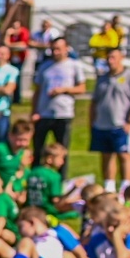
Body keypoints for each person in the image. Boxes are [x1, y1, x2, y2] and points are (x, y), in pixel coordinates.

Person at [90, 46, 130, 192]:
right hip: (102, 124)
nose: (110, 61)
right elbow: (94, 102)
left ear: (122, 58)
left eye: (113, 57)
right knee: (106, 155)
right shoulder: (103, 78)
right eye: (108, 58)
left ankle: (125, 186)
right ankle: (109, 186)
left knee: (124, 155)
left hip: (121, 123)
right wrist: (92, 121)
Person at [32, 38, 87, 170]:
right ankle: (36, 176)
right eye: (53, 49)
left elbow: (81, 88)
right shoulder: (44, 66)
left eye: (58, 49)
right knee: (38, 148)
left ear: (66, 49)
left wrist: (64, 90)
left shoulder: (74, 65)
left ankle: (61, 178)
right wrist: (34, 111)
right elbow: (37, 91)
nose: (55, 52)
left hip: (63, 113)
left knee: (62, 150)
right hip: (44, 113)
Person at [2, 17, 31, 104]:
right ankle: (10, 98)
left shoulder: (24, 32)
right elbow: (5, 43)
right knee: (10, 78)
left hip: (20, 59)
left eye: (17, 27)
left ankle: (17, 99)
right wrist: (7, 34)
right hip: (11, 59)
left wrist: (10, 45)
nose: (15, 29)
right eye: (14, 27)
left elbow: (23, 44)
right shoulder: (10, 34)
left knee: (17, 78)